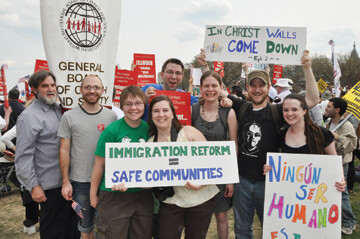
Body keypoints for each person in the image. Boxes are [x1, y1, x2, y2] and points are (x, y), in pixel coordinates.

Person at [198, 49, 319, 238]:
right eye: (252, 85)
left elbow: (312, 100)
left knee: (271, 229)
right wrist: (205, 65)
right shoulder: (241, 106)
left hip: (269, 182)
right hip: (242, 181)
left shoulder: (278, 110)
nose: (256, 89)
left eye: (261, 85)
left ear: (268, 86)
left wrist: (307, 68)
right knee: (242, 229)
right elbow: (214, 88)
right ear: (247, 86)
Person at [15, 70, 79, 238]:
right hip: (49, 187)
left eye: (53, 85)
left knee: (72, 230)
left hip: (69, 182)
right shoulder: (28, 117)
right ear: (34, 89)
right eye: (45, 86)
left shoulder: (60, 109)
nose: (51, 89)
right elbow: (23, 156)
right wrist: (33, 186)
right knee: (54, 232)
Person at [147, 95, 218, 239]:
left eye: (165, 110)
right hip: (171, 202)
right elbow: (146, 179)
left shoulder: (188, 132)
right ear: (151, 116)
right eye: (156, 111)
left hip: (200, 200)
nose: (161, 115)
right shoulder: (149, 144)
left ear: (173, 113)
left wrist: (202, 184)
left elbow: (214, 163)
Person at [58, 75, 117, 239]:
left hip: (106, 182)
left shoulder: (111, 117)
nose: (92, 90)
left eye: (96, 87)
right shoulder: (68, 117)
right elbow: (64, 151)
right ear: (80, 90)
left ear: (102, 91)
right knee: (85, 226)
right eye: (88, 87)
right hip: (80, 183)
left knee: (106, 225)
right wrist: (65, 181)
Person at [90, 85, 152, 239]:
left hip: (142, 195)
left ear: (144, 105)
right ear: (121, 106)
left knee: (141, 235)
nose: (133, 108)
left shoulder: (149, 129)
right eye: (128, 104)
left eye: (138, 103)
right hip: (114, 195)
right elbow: (99, 164)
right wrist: (93, 195)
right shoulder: (112, 130)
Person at [191, 71, 237, 239]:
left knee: (222, 217)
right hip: (196, 172)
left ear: (221, 88)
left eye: (214, 86)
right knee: (197, 217)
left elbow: (233, 145)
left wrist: (231, 178)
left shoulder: (229, 113)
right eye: (206, 86)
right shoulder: (193, 109)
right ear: (201, 88)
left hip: (221, 173)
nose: (210, 89)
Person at [265, 93, 345, 188]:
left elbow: (335, 161)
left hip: (316, 194)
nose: (289, 113)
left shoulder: (321, 133)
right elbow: (277, 165)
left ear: (304, 111)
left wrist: (341, 179)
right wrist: (269, 168)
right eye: (285, 110)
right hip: (289, 194)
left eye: (294, 109)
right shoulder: (281, 136)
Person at [324, 97, 358, 235]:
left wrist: (337, 137)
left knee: (341, 193)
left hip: (340, 163)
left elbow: (352, 145)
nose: (326, 108)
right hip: (327, 161)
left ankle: (349, 222)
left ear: (337, 110)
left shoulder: (347, 126)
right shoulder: (327, 122)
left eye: (329, 107)